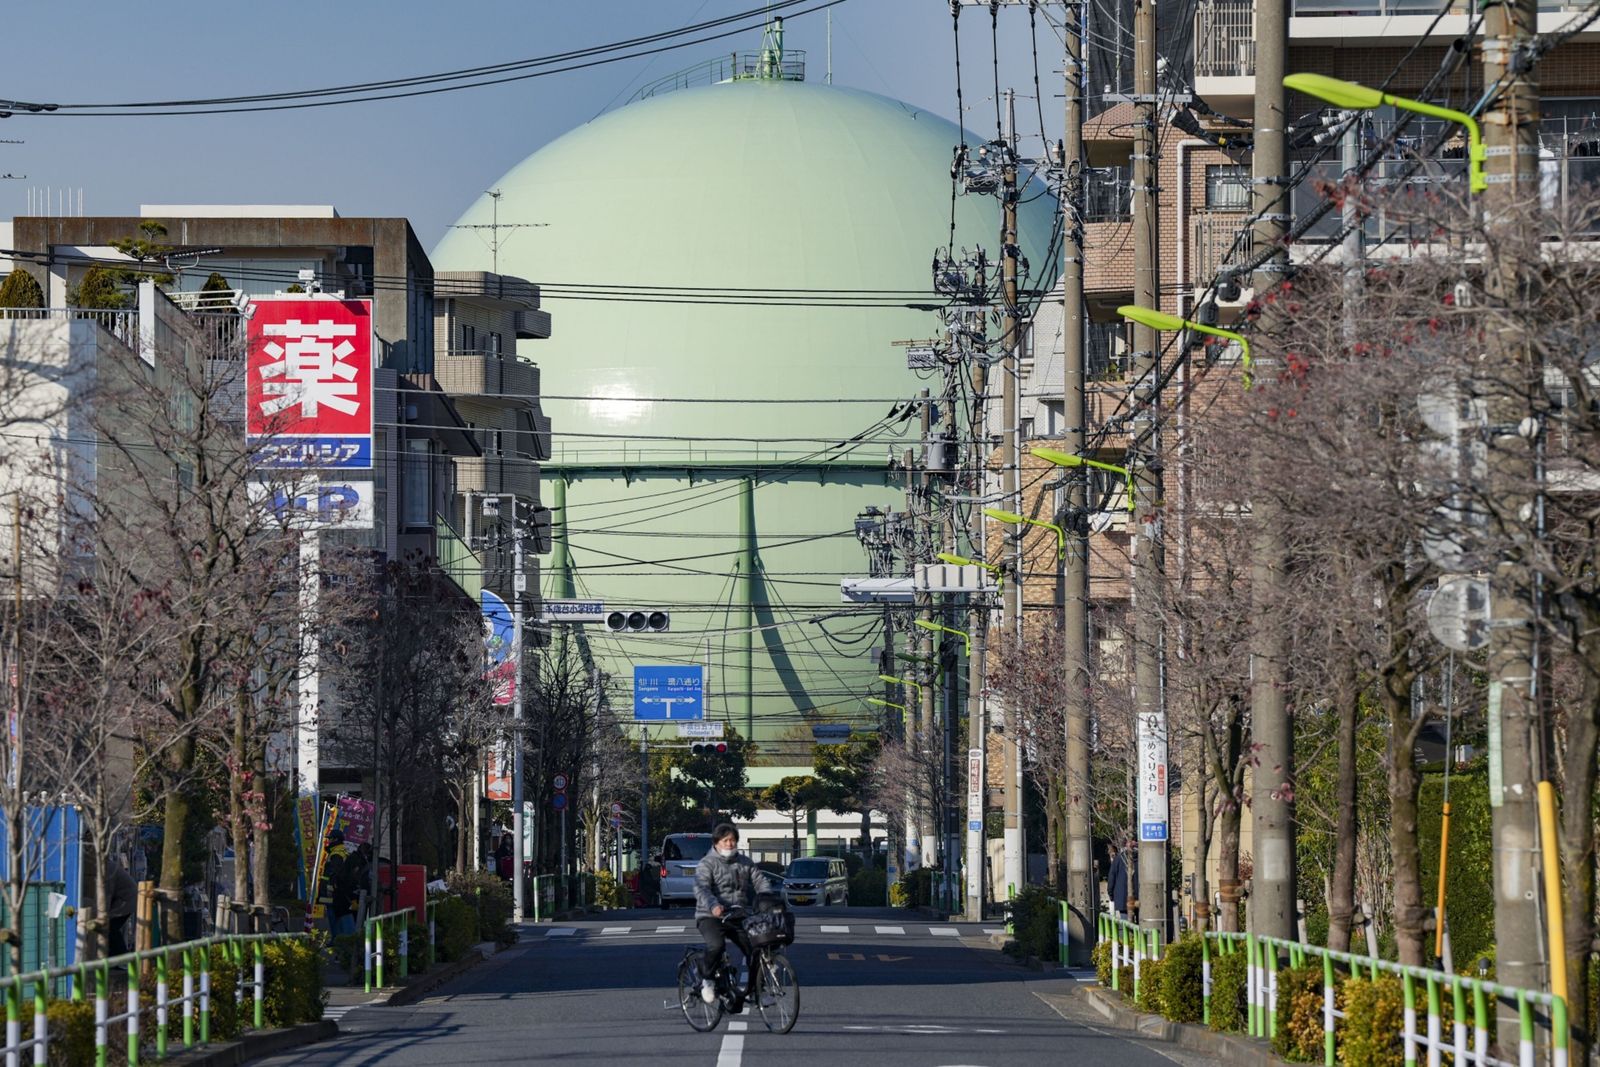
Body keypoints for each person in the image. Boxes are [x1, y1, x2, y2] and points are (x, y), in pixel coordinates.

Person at [693, 823, 779, 1005]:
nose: (730, 844)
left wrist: (767, 898)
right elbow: (701, 889)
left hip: (737, 915)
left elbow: (760, 881)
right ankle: (706, 978)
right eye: (726, 840)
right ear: (716, 843)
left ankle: (756, 990)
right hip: (710, 916)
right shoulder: (706, 863)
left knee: (757, 947)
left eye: (733, 840)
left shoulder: (745, 862)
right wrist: (713, 905)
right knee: (716, 946)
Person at [107, 860, 137, 956]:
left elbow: (107, 893)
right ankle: (118, 957)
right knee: (111, 928)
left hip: (125, 900)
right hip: (126, 899)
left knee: (110, 928)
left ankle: (120, 957)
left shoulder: (107, 869)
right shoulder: (109, 865)